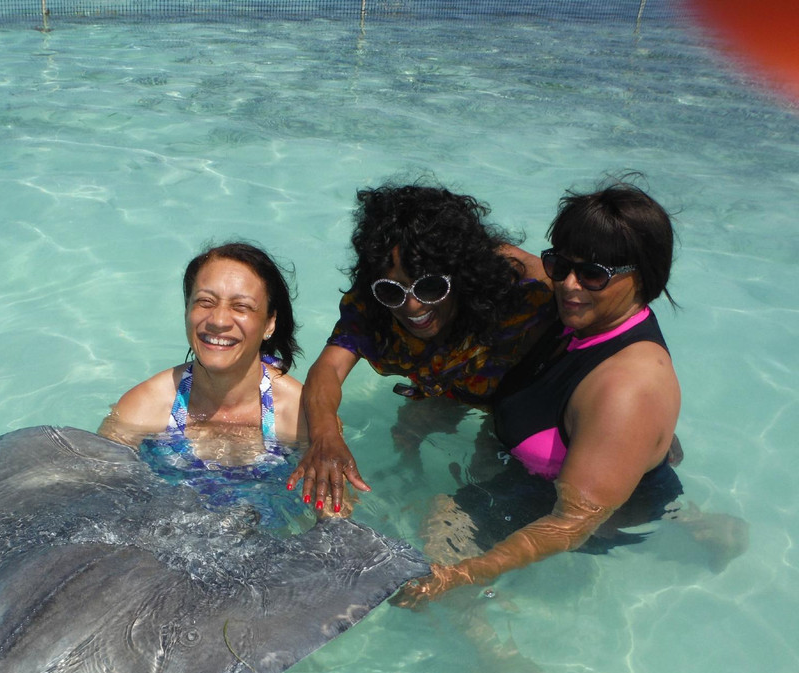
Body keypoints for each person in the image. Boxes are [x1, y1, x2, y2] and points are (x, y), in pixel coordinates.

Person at [394, 179, 690, 605]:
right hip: (554, 469)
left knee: (439, 532)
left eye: (593, 274)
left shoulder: (627, 389)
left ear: (643, 278)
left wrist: (461, 575)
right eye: (559, 264)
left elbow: (573, 523)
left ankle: (489, 644)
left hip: (595, 514)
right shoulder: (582, 312)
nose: (568, 284)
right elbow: (486, 251)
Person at [286, 182, 557, 512]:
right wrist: (325, 436)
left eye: (430, 287)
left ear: (462, 274)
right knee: (407, 430)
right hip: (450, 384)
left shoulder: (522, 287)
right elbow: (329, 366)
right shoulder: (374, 299)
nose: (412, 306)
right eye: (393, 291)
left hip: (512, 389)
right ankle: (409, 483)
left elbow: (588, 306)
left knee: (490, 471)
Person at [99, 242, 310, 523]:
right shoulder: (145, 407)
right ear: (187, 310)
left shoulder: (301, 415)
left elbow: (337, 520)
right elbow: (98, 497)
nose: (219, 320)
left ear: (270, 323)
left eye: (241, 306)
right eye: (205, 302)